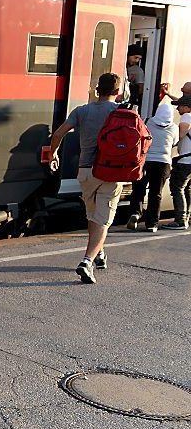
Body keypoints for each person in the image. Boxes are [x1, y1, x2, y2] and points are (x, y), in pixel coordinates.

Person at [47, 73, 123, 284]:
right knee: (103, 220)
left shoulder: (81, 111)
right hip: (110, 171)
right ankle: (87, 261)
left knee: (92, 215)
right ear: (117, 92)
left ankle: (99, 253)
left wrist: (53, 154)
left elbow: (58, 134)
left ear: (97, 89)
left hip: (85, 171)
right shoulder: (122, 112)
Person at [126, 101, 177, 233]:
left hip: (145, 161)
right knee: (156, 193)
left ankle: (136, 213)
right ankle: (152, 224)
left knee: (138, 188)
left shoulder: (147, 121)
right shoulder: (174, 127)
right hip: (163, 163)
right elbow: (175, 143)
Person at [162, 95, 191, 230]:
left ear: (186, 107)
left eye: (179, 106)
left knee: (177, 188)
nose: (177, 108)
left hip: (185, 160)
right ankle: (186, 217)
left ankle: (180, 220)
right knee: (186, 189)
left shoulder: (186, 117)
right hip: (189, 160)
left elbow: (179, 135)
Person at [125, 44, 144, 108]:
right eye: (135, 57)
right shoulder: (121, 65)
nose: (137, 61)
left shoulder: (138, 70)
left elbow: (140, 89)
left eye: (139, 59)